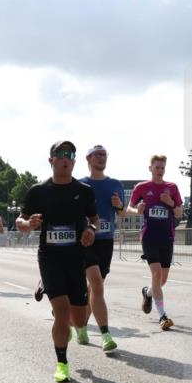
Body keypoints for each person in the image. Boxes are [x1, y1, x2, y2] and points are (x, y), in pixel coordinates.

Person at [16, 140, 99, 383]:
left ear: (74, 161)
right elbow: (19, 223)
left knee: (79, 319)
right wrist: (28, 224)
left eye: (71, 154)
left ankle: (59, 311)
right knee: (62, 314)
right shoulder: (38, 191)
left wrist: (92, 230)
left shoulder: (84, 191)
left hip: (76, 258)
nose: (66, 158)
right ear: (51, 159)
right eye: (61, 154)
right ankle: (62, 363)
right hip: (50, 257)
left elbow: (95, 219)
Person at [77, 144, 125, 352]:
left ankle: (81, 326)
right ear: (88, 159)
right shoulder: (79, 184)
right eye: (97, 155)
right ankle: (105, 334)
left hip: (106, 241)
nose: (101, 158)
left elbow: (122, 214)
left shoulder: (115, 184)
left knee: (95, 287)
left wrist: (118, 205)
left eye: (104, 155)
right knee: (96, 283)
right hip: (86, 240)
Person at [127, 155, 183, 331]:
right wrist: (137, 210)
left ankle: (148, 293)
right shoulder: (142, 187)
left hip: (167, 237)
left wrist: (171, 203)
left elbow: (179, 213)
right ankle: (162, 316)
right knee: (157, 274)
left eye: (162, 168)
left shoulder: (172, 187)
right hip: (149, 236)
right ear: (150, 168)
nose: (160, 170)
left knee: (162, 279)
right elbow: (129, 207)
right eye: (157, 167)